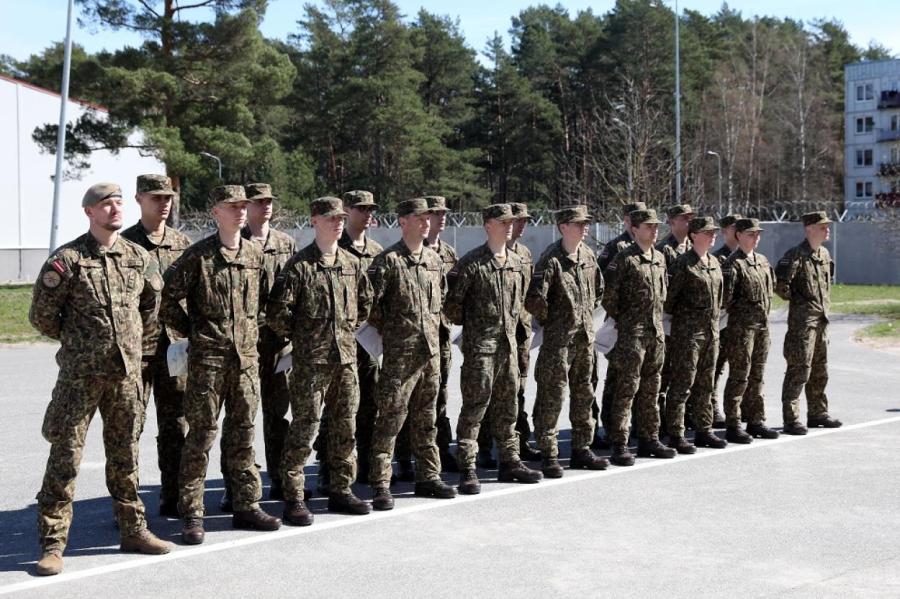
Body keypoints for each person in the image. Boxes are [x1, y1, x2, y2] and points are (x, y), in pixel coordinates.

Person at [30, 182, 171, 576]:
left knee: (126, 455)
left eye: (118, 203)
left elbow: (150, 305)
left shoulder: (137, 256)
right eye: (106, 204)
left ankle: (133, 530)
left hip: (125, 376)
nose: (115, 209)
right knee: (65, 458)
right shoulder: (68, 260)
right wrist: (81, 343)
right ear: (89, 212)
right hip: (80, 376)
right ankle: (53, 545)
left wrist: (128, 342)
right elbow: (42, 316)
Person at [161, 185, 281, 545]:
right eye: (233, 206)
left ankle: (246, 504)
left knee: (243, 434)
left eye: (244, 205)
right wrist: (194, 331)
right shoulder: (198, 255)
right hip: (208, 363)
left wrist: (249, 332)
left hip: (245, 362)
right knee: (200, 437)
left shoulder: (254, 254)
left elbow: (265, 302)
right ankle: (193, 514)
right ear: (216, 212)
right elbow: (167, 298)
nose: (241, 211)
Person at [267, 197, 373, 524]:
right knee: (305, 428)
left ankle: (341, 488)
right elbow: (277, 315)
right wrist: (307, 338)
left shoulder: (352, 264)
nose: (338, 222)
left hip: (346, 360)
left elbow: (365, 304)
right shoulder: (299, 266)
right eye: (330, 218)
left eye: (341, 217)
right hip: (311, 364)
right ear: (314, 220)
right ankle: (294, 495)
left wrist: (343, 332)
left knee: (345, 426)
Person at [445, 203, 543, 494]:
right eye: (503, 222)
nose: (509, 225)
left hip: (510, 348)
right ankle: (468, 467)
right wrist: (479, 329)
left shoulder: (516, 262)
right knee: (475, 410)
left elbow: (524, 302)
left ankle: (510, 461)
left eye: (511, 221)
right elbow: (453, 308)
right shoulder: (471, 264)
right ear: (488, 225)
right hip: (481, 351)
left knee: (509, 408)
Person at [366, 198, 457, 510]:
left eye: (428, 217)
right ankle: (380, 482)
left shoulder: (433, 260)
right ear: (403, 221)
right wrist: (395, 331)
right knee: (390, 420)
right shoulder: (387, 262)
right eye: (419, 217)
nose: (426, 222)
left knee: (426, 418)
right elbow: (369, 307)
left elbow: (441, 300)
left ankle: (428, 476)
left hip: (430, 354)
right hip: (400, 357)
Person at [217, 183, 296, 511]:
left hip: (276, 343)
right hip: (242, 344)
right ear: (245, 207)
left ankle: (278, 476)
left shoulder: (285, 243)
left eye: (268, 202)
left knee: (277, 415)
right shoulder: (235, 242)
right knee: (239, 417)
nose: (265, 207)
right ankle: (234, 483)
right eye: (257, 202)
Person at [121, 174, 192, 517]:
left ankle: (174, 495)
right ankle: (127, 505)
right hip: (138, 350)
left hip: (174, 348)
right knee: (129, 427)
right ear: (139, 200)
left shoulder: (182, 243)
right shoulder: (124, 245)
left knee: (176, 423)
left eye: (168, 198)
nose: (164, 204)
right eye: (156, 198)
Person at [525, 205, 608, 478]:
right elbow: (535, 300)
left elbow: (598, 291)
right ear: (563, 227)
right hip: (558, 343)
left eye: (586, 223)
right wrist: (556, 322)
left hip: (585, 340)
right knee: (552, 396)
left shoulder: (588, 256)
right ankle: (549, 454)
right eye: (579, 224)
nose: (585, 228)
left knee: (584, 394)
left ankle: (582, 448)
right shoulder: (551, 260)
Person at [601, 209, 676, 465]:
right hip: (631, 336)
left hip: (655, 334)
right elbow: (609, 297)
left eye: (656, 226)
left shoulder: (659, 258)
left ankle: (649, 438)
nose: (654, 230)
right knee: (626, 389)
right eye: (648, 226)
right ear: (634, 229)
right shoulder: (624, 259)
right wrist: (626, 320)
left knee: (651, 389)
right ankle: (620, 443)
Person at [775, 211, 843, 434]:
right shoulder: (795, 255)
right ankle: (791, 418)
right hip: (802, 323)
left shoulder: (824, 254)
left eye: (827, 226)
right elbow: (781, 285)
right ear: (809, 229)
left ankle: (818, 413)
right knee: (799, 369)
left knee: (820, 370)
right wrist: (800, 303)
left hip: (821, 321)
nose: (827, 230)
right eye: (822, 226)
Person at [664, 216, 728, 453]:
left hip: (711, 334)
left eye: (714, 232)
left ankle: (704, 429)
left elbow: (720, 299)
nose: (713, 235)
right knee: (682, 385)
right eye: (707, 232)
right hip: (688, 335)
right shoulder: (683, 264)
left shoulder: (713, 262)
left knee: (705, 384)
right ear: (693, 235)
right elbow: (668, 301)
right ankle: (676, 434)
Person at [335, 189, 384, 486]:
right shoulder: (333, 247)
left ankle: (364, 463)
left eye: (370, 209)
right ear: (347, 211)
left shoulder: (377, 251)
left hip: (369, 341)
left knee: (369, 404)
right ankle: (333, 468)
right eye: (360, 208)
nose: (367, 214)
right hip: (340, 341)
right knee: (339, 409)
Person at [721, 218, 780, 442]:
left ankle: (756, 420)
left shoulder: (762, 261)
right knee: (739, 376)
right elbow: (725, 300)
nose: (756, 238)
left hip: (761, 328)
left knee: (758, 375)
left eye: (758, 234)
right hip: (741, 330)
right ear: (738, 235)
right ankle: (733, 424)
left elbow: (770, 290)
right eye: (750, 234)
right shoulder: (732, 265)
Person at [594, 200, 646, 449]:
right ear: (626, 220)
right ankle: (611, 425)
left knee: (637, 376)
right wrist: (619, 316)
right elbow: (603, 283)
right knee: (617, 376)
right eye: (634, 216)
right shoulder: (616, 246)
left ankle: (636, 423)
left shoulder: (647, 244)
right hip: (618, 323)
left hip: (642, 324)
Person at [419, 195, 459, 473]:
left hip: (442, 334)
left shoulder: (448, 253)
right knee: (413, 399)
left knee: (441, 393)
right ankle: (410, 455)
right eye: (435, 213)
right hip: (417, 339)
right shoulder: (412, 250)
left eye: (444, 212)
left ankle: (442, 449)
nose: (441, 217)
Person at [656, 204, 696, 434]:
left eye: (690, 218)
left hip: (687, 324)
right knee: (664, 373)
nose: (688, 222)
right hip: (669, 321)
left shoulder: (693, 246)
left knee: (684, 372)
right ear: (672, 222)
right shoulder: (664, 250)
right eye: (683, 218)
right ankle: (659, 420)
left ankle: (682, 416)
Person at [709, 213, 741, 428]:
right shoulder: (719, 258)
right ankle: (712, 408)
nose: (737, 231)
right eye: (733, 228)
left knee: (740, 369)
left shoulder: (746, 256)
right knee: (715, 367)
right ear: (724, 232)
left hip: (740, 324)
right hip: (721, 322)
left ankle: (739, 409)